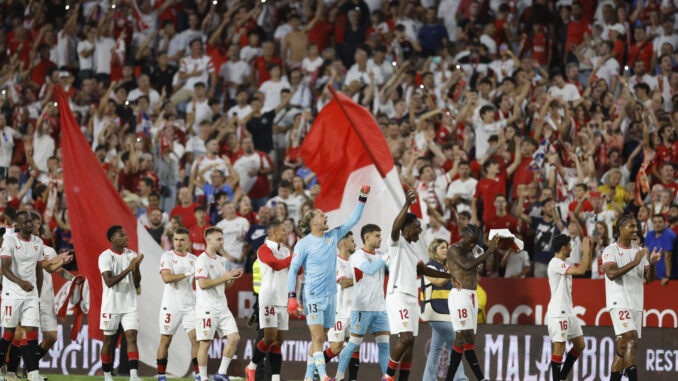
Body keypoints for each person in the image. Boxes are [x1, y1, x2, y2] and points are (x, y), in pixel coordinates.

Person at [287, 186, 370, 381]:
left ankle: (308, 377)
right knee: (317, 338)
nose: (326, 217)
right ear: (313, 221)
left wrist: (362, 198)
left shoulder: (332, 236)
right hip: (314, 295)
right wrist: (291, 297)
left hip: (331, 295)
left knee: (320, 338)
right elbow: (292, 270)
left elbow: (353, 220)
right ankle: (323, 376)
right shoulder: (304, 243)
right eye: (322, 215)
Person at [384, 190, 461, 381]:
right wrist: (406, 205)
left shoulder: (411, 249)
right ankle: (387, 376)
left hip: (411, 298)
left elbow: (425, 270)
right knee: (406, 339)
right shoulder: (396, 241)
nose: (420, 229)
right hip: (398, 295)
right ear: (407, 228)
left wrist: (448, 274)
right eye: (417, 226)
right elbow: (395, 226)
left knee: (411, 344)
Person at [602, 215, 662, 381]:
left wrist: (653, 262)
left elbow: (649, 280)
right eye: (631, 227)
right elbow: (611, 273)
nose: (636, 229)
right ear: (621, 229)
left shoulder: (639, 251)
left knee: (622, 348)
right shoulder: (610, 250)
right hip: (619, 302)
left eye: (636, 226)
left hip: (636, 304)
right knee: (632, 341)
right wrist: (636, 262)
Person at [334, 225, 390, 381]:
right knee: (353, 344)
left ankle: (387, 378)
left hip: (380, 308)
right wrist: (387, 257)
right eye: (377, 236)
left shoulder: (381, 254)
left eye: (381, 235)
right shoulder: (357, 256)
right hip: (361, 308)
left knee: (385, 346)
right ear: (367, 237)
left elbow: (391, 268)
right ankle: (339, 377)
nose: (380, 239)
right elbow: (370, 269)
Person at [444, 225, 498, 381]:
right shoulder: (454, 250)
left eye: (475, 242)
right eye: (470, 241)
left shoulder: (477, 250)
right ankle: (479, 378)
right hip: (460, 295)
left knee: (466, 339)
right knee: (464, 336)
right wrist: (489, 251)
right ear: (462, 234)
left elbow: (493, 268)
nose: (472, 245)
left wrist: (494, 252)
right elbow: (467, 266)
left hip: (472, 296)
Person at [0, 212, 45, 381]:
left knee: (32, 332)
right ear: (18, 225)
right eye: (25, 222)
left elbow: (39, 271)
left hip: (30, 294)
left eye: (31, 221)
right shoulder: (10, 240)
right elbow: (4, 268)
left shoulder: (38, 243)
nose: (29, 224)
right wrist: (21, 283)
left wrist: (37, 296)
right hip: (12, 293)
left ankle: (33, 374)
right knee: (9, 335)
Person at [195, 227, 244, 381]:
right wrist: (225, 277)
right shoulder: (202, 260)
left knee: (234, 338)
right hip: (206, 308)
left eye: (222, 239)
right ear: (208, 240)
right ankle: (202, 377)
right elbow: (202, 284)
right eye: (219, 239)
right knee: (205, 343)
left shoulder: (221, 260)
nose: (222, 242)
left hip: (222, 307)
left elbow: (225, 285)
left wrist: (231, 277)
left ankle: (221, 373)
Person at [246, 220, 292, 381]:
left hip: (283, 298)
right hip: (268, 298)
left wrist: (299, 256)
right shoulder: (263, 249)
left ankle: (275, 377)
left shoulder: (286, 251)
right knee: (269, 337)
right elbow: (275, 264)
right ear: (273, 233)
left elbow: (297, 270)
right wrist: (294, 257)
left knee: (278, 340)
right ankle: (251, 366)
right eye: (283, 230)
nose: (286, 233)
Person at [98, 225, 143, 381]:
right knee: (109, 341)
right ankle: (107, 376)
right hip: (111, 305)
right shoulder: (105, 256)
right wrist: (129, 268)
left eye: (126, 234)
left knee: (131, 336)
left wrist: (136, 268)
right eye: (122, 235)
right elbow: (109, 281)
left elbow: (137, 282)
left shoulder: (132, 255)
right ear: (113, 239)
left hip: (130, 304)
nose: (126, 237)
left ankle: (134, 376)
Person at [546, 234, 592, 381]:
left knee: (580, 345)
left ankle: (561, 378)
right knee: (559, 349)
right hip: (558, 312)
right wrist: (585, 252)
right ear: (564, 248)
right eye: (570, 245)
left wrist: (588, 251)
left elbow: (587, 267)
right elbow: (581, 271)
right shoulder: (555, 263)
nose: (572, 248)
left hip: (568, 312)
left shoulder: (564, 263)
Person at [156, 228, 200, 381]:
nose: (179, 243)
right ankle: (161, 375)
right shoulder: (167, 256)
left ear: (188, 241)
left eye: (182, 240)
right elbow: (166, 278)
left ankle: (199, 374)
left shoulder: (194, 259)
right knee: (166, 340)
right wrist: (188, 273)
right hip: (171, 306)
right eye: (176, 239)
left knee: (196, 338)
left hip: (190, 306)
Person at [422, 239, 467, 381]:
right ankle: (460, 378)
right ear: (434, 250)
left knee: (435, 349)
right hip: (435, 312)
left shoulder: (443, 268)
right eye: (442, 248)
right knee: (455, 343)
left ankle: (428, 379)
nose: (445, 250)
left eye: (446, 247)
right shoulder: (431, 266)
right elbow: (439, 282)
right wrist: (449, 270)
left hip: (444, 314)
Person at [325, 233, 357, 377]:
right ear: (344, 244)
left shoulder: (353, 263)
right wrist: (361, 278)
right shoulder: (335, 262)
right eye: (352, 241)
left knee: (355, 346)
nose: (355, 244)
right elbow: (343, 282)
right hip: (338, 312)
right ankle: (313, 370)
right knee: (336, 347)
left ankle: (352, 379)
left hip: (352, 311)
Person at [644, 214, 676, 286]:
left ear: (665, 223)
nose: (657, 224)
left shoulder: (668, 234)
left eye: (660, 222)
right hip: (655, 277)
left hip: (670, 278)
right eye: (655, 222)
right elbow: (647, 257)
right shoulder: (649, 234)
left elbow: (668, 257)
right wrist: (646, 276)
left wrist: (667, 276)